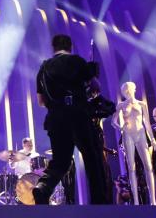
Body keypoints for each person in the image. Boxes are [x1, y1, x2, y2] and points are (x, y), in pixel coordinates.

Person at [31, 34, 110, 205]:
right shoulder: (77, 61)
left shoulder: (43, 68)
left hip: (55, 119)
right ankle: (100, 201)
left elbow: (41, 101)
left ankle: (42, 187)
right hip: (78, 115)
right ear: (70, 47)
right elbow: (96, 87)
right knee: (92, 156)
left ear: (53, 48)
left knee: (60, 161)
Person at [114, 82, 156, 206]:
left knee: (148, 166)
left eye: (129, 90)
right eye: (125, 91)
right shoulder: (121, 105)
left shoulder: (142, 104)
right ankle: (136, 201)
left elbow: (147, 122)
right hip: (128, 135)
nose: (127, 92)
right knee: (131, 168)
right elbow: (113, 121)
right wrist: (121, 128)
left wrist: (152, 138)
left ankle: (153, 200)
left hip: (141, 133)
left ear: (134, 89)